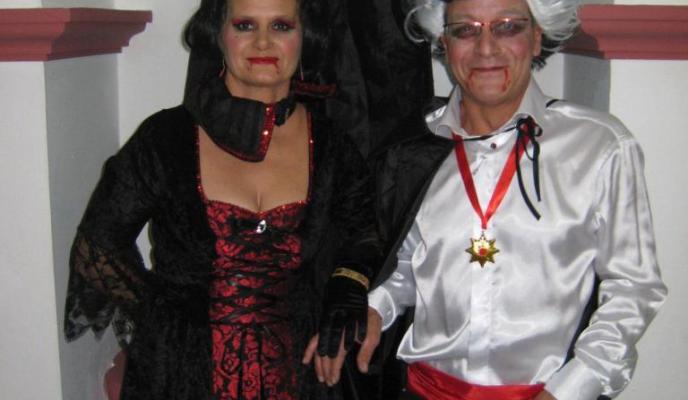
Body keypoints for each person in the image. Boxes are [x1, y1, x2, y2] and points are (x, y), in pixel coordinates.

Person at [311, 0, 668, 399]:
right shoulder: (414, 150)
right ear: (444, 42)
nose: (485, 48)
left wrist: (572, 387)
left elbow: (634, 288)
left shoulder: (599, 145)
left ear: (536, 37)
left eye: (508, 26)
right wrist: (374, 307)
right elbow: (408, 266)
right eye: (466, 30)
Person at [63, 0, 379, 398]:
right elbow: (98, 244)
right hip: (182, 376)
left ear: (305, 37)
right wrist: (165, 312)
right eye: (245, 25)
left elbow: (365, 232)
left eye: (281, 26)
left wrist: (346, 289)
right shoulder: (165, 138)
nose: (263, 41)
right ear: (218, 34)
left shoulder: (332, 145)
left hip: (301, 372)